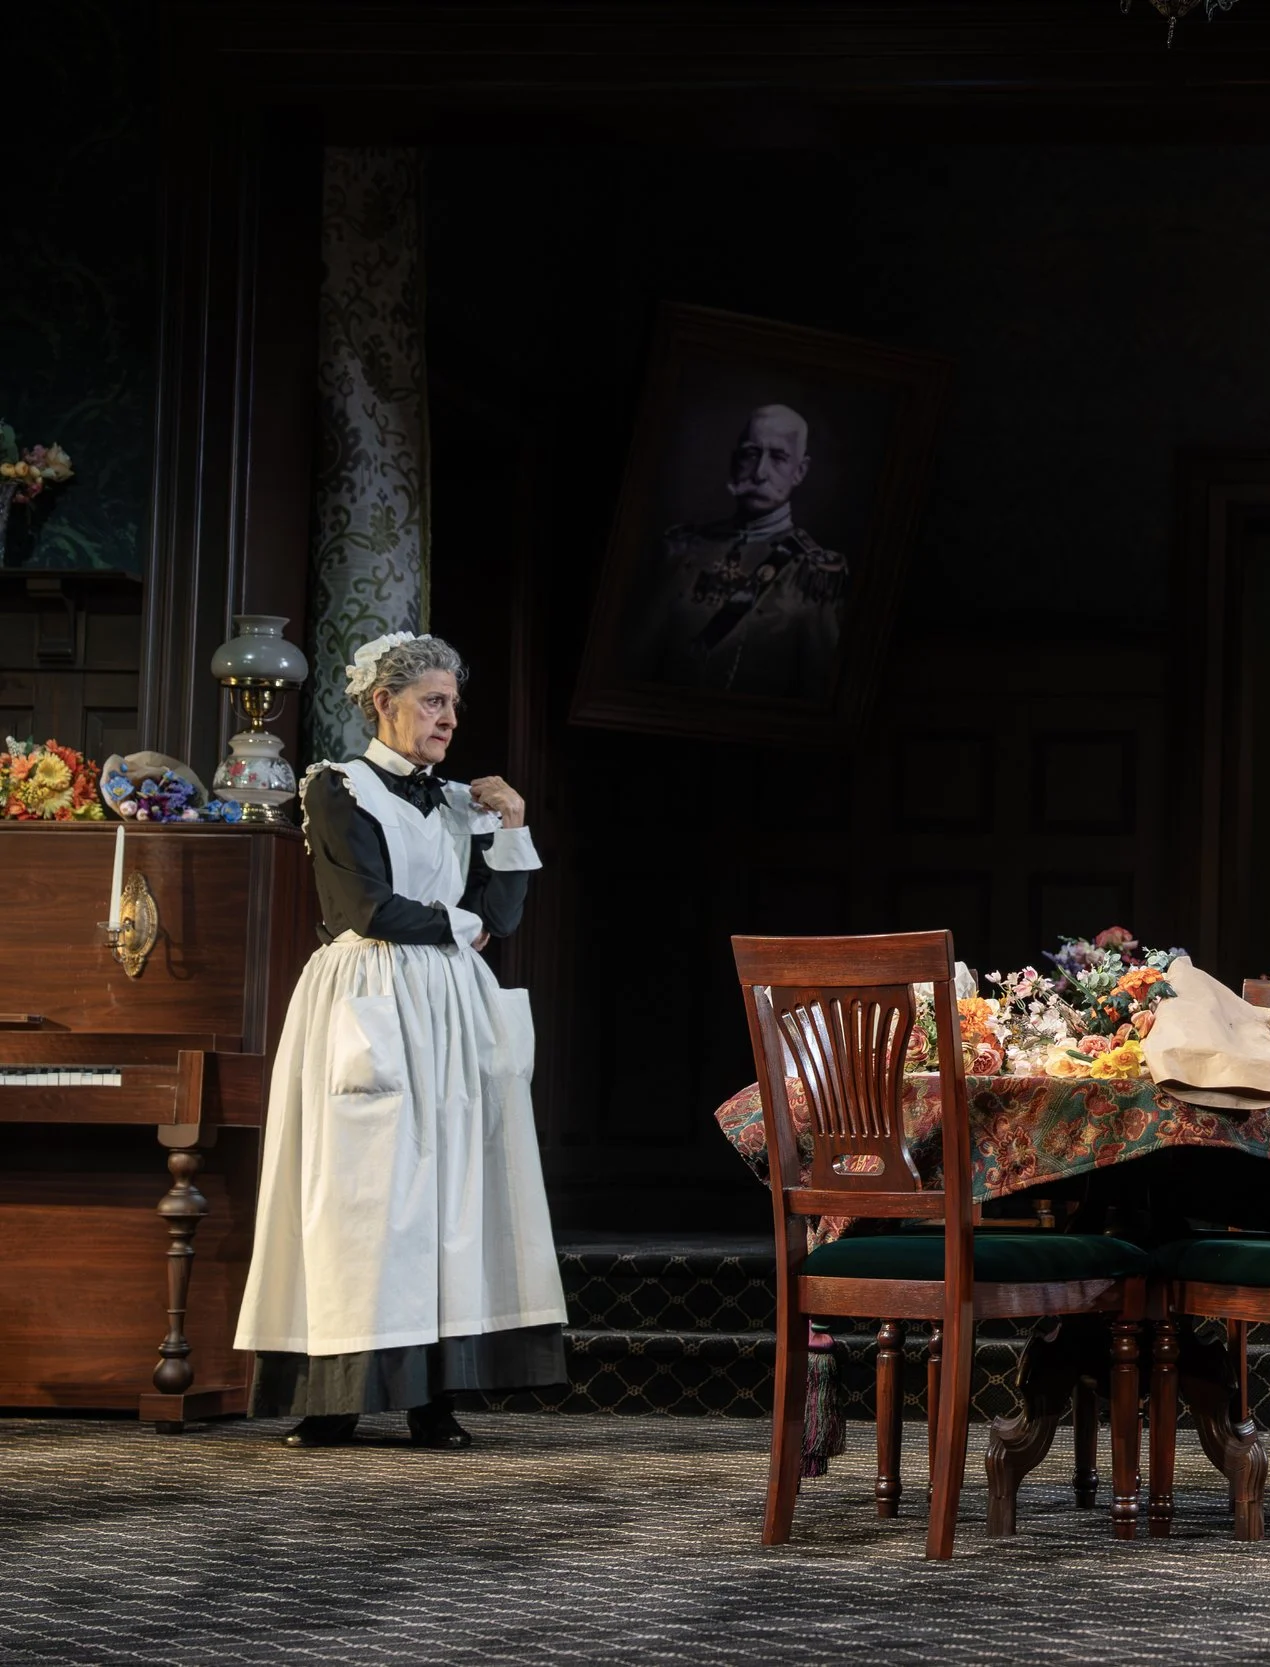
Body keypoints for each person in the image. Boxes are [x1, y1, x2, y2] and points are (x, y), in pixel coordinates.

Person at [234, 631, 567, 1449]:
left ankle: (435, 1398)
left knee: (451, 1195)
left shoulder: (460, 801)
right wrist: (462, 924)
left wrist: (512, 823)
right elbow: (367, 908)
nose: (448, 717)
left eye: (453, 703)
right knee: (360, 1195)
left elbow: (503, 916)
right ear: (384, 702)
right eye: (432, 701)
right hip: (371, 991)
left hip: (450, 1006)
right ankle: (333, 1396)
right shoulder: (336, 787)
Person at [642, 402, 849, 700]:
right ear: (734, 460)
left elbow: (818, 693)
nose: (760, 473)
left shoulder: (814, 573)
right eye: (751, 454)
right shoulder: (680, 548)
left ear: (800, 471)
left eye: (778, 457)